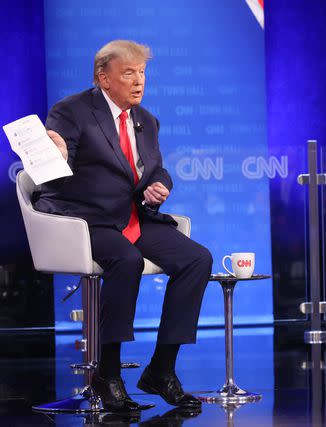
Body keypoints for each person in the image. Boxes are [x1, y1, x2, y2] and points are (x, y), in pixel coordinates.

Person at [36, 40, 213, 411]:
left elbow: (155, 166)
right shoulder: (72, 111)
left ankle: (162, 370)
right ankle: (108, 374)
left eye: (143, 73)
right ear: (103, 78)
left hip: (132, 216)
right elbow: (51, 167)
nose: (139, 81)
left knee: (198, 259)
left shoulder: (145, 120)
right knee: (126, 260)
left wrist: (159, 184)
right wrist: (60, 154)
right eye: (129, 73)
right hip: (85, 219)